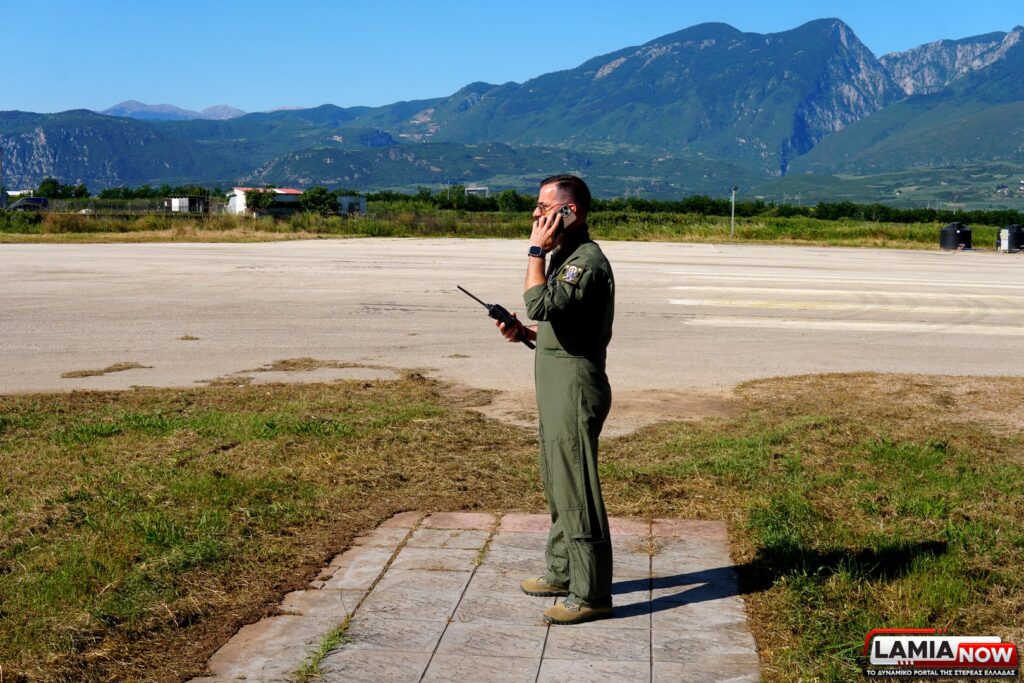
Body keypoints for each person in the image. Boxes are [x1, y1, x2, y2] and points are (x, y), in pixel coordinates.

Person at [497, 174, 615, 625]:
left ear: (571, 212)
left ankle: (591, 593)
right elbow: (555, 322)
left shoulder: (584, 262)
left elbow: (539, 304)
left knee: (576, 488)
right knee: (558, 482)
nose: (536, 214)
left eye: (545, 207)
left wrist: (535, 253)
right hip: (555, 385)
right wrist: (526, 334)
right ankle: (564, 572)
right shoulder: (568, 257)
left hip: (574, 389)